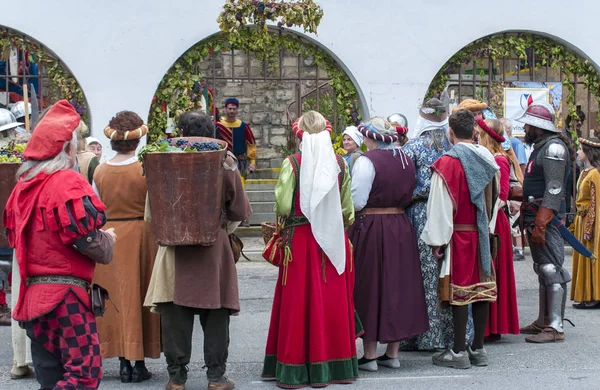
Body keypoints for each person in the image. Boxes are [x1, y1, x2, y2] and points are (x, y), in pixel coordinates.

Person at [2, 100, 116, 389]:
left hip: (32, 301)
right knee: (83, 375)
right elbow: (87, 241)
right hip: (65, 299)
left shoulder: (21, 187)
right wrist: (108, 240)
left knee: (50, 378)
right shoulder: (65, 181)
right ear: (67, 148)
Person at [146, 110, 251, 390]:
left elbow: (150, 215)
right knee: (216, 313)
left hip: (173, 248)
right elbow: (239, 210)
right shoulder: (225, 162)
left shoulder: (162, 160)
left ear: (180, 131)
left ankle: (176, 378)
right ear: (212, 132)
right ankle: (216, 378)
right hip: (213, 249)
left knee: (174, 313)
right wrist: (220, 231)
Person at [262, 111, 360, 388]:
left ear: (299, 134)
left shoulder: (292, 163)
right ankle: (336, 366)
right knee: (331, 301)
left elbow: (282, 206)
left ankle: (296, 368)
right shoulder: (340, 163)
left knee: (298, 302)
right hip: (332, 241)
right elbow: (347, 211)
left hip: (300, 240)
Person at [348, 117, 429, 371]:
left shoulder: (366, 161)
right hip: (401, 225)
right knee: (398, 286)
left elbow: (358, 201)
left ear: (370, 137)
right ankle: (392, 353)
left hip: (372, 226)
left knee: (370, 285)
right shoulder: (406, 158)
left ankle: (370, 355)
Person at [421, 108, 499, 369]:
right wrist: (487, 226)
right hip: (482, 233)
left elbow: (440, 206)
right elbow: (496, 198)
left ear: (450, 132)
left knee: (460, 292)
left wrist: (438, 240)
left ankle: (457, 353)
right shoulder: (488, 158)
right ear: (474, 131)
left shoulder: (447, 163)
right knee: (481, 291)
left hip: (459, 235)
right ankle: (478, 349)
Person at [93, 111, 161, 383]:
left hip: (110, 235)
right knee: (141, 294)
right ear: (138, 139)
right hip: (142, 235)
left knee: (118, 297)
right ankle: (139, 361)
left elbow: (95, 208)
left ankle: (123, 361)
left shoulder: (99, 171)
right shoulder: (146, 168)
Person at [402, 98, 462, 351]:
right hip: (452, 213)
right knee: (448, 272)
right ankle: (453, 334)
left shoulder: (411, 148)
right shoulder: (455, 146)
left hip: (421, 212)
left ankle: (427, 335)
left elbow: (404, 185)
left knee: (422, 274)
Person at [517, 101, 572, 343]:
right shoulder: (541, 147)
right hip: (536, 215)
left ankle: (555, 327)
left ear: (538, 128)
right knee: (542, 269)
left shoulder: (554, 149)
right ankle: (543, 320)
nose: (525, 128)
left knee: (551, 268)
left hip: (547, 219)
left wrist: (540, 224)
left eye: (529, 124)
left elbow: (553, 188)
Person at [476, 118, 520, 340]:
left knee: (494, 269)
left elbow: (502, 195)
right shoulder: (488, 156)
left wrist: (488, 220)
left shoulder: (499, 159)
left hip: (495, 221)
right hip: (489, 218)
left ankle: (493, 326)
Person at [570, 137, 600, 309]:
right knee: (582, 257)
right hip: (581, 219)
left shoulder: (595, 173)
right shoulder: (583, 172)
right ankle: (585, 294)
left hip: (591, 221)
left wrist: (589, 226)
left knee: (591, 255)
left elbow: (595, 203)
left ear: (588, 152)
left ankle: (594, 296)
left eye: (581, 149)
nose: (578, 152)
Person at [216, 98, 257, 180]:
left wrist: (252, 162)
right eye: (230, 108)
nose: (232, 111)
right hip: (223, 162)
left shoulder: (243, 126)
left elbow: (251, 144)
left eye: (234, 109)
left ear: (237, 110)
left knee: (240, 189)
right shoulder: (218, 126)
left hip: (240, 163)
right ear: (225, 109)